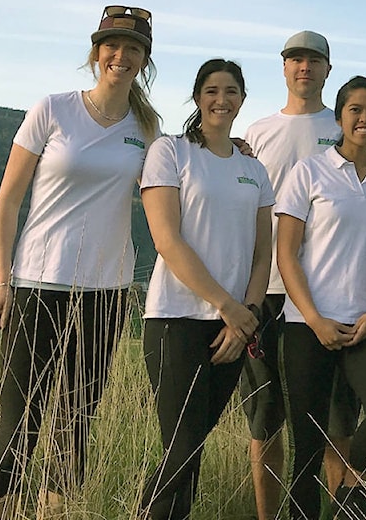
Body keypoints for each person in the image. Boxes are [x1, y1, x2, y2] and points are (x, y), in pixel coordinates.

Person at [0, 5, 161, 516]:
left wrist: (233, 150)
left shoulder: (146, 128)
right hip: (37, 282)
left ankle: (52, 512)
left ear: (144, 60)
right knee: (17, 415)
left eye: (133, 48)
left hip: (106, 291)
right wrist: (2, 281)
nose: (121, 55)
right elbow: (7, 202)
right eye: (112, 45)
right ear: (96, 52)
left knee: (77, 419)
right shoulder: (54, 109)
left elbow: (176, 186)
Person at [139, 59, 273, 519]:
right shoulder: (170, 151)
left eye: (232, 90)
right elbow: (167, 240)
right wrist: (227, 305)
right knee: (181, 449)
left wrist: (246, 316)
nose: (222, 99)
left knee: (191, 452)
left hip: (232, 330)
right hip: (175, 318)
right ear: (197, 97)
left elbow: (261, 255)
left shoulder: (255, 171)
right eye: (212, 90)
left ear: (242, 99)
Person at [238, 30, 358, 519]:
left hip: (332, 296)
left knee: (336, 423)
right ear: (283, 68)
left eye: (313, 60)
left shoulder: (347, 126)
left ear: (328, 69)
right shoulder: (258, 132)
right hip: (266, 290)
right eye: (295, 59)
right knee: (265, 421)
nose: (304, 67)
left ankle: (337, 513)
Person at [277, 76, 366, 520]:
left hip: (364, 324)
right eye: (355, 109)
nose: (364, 118)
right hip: (307, 325)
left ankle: (348, 493)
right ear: (339, 117)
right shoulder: (309, 172)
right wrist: (313, 318)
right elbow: (286, 254)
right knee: (308, 445)